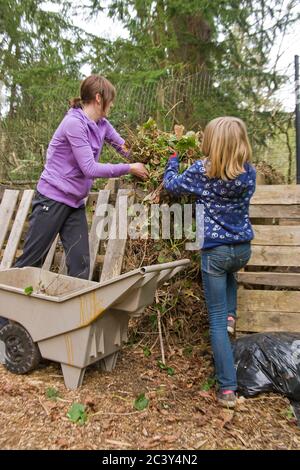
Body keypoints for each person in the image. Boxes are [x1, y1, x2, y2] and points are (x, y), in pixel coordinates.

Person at [13, 74, 149, 279]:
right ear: (98, 98)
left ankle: (73, 311)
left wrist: (149, 158)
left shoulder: (102, 124)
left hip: (75, 203)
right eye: (110, 100)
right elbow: (89, 168)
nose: (111, 105)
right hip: (52, 199)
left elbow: (124, 147)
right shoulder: (73, 124)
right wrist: (129, 168)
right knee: (31, 263)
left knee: (81, 265)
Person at [163, 117, 256, 408]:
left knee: (214, 323)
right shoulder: (249, 174)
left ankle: (227, 389)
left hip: (214, 252)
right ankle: (231, 315)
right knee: (231, 271)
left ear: (210, 144)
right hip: (242, 250)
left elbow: (171, 186)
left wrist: (172, 161)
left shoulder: (201, 171)